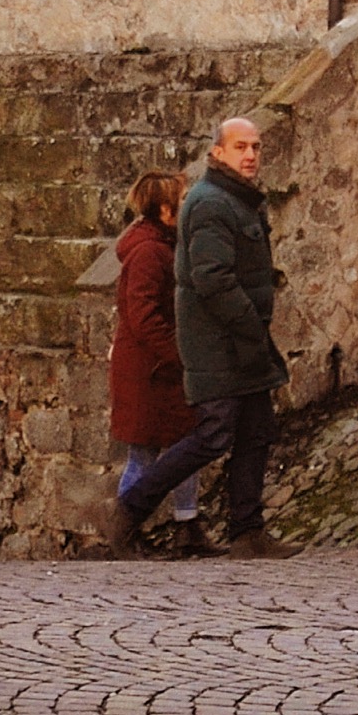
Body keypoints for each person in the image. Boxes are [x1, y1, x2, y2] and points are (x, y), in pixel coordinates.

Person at [85, 115, 288, 560]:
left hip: (244, 339)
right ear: (217, 152)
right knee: (212, 435)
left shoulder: (243, 200)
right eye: (240, 147)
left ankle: (247, 531)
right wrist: (249, 326)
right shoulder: (212, 203)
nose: (251, 154)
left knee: (256, 430)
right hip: (220, 343)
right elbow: (213, 279)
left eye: (255, 146)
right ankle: (129, 510)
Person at [105, 170, 205, 553]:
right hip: (149, 372)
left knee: (186, 446)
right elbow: (143, 315)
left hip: (161, 370)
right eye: (181, 203)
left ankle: (188, 523)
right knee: (144, 453)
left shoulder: (161, 245)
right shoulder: (148, 252)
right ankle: (126, 531)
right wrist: (178, 354)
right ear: (165, 210)